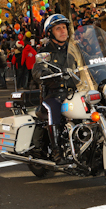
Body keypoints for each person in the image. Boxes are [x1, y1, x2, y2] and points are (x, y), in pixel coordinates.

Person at [32, 14, 74, 165]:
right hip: (54, 93)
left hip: (75, 92)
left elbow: (88, 63)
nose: (63, 31)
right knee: (54, 107)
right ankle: (57, 151)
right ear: (50, 33)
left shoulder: (74, 50)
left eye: (64, 27)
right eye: (58, 28)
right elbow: (37, 70)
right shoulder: (45, 52)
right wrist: (45, 73)